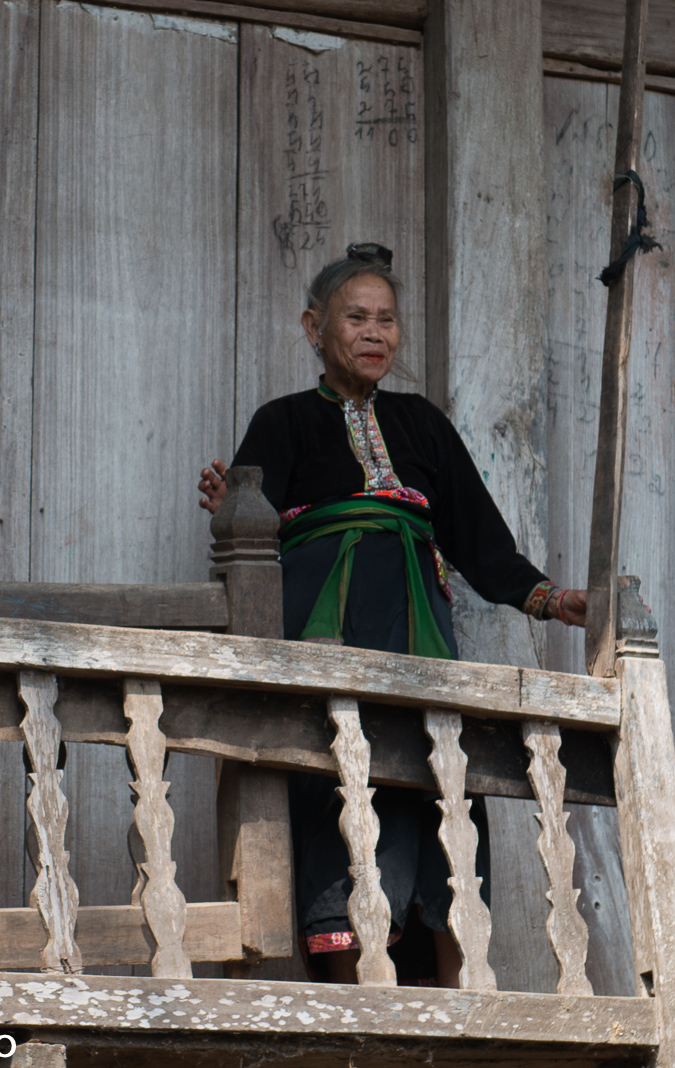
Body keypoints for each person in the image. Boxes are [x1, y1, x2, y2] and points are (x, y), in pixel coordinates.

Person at [198, 242, 586, 986]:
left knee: (439, 778)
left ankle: (456, 993)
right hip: (326, 627)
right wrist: (234, 507)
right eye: (356, 318)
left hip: (418, 632)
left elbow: (479, 539)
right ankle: (355, 994)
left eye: (386, 319)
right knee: (337, 779)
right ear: (315, 327)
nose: (375, 332)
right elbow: (251, 526)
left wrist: (550, 598)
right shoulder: (281, 423)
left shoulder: (421, 425)